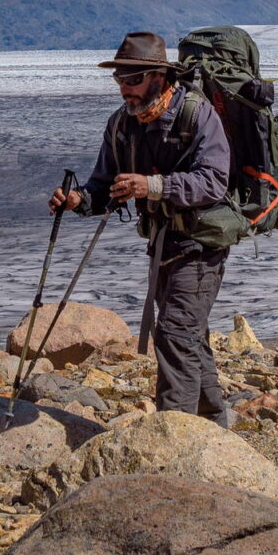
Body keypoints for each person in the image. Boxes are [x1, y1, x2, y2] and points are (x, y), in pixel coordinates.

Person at [48, 31, 238, 425]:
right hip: (161, 244)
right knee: (188, 333)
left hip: (202, 243)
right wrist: (78, 200)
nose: (124, 88)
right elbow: (105, 185)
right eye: (119, 78)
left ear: (159, 77)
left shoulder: (197, 115)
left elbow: (213, 181)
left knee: (175, 332)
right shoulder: (122, 124)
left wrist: (152, 186)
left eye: (132, 79)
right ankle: (213, 424)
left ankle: (175, 434)